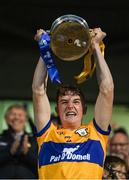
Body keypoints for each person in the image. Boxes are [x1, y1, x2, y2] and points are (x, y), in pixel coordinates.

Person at [32, 27, 114, 179]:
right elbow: (38, 91)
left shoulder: (96, 133)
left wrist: (95, 46)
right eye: (64, 102)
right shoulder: (47, 134)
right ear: (57, 109)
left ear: (84, 109)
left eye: (76, 102)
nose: (70, 106)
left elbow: (107, 90)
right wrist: (45, 48)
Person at [0, 104, 38, 179]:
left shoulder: (34, 140)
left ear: (26, 119)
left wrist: (27, 153)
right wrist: (9, 152)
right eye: (13, 114)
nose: (16, 117)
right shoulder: (1, 139)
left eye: (20, 115)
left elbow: (42, 166)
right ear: (6, 118)